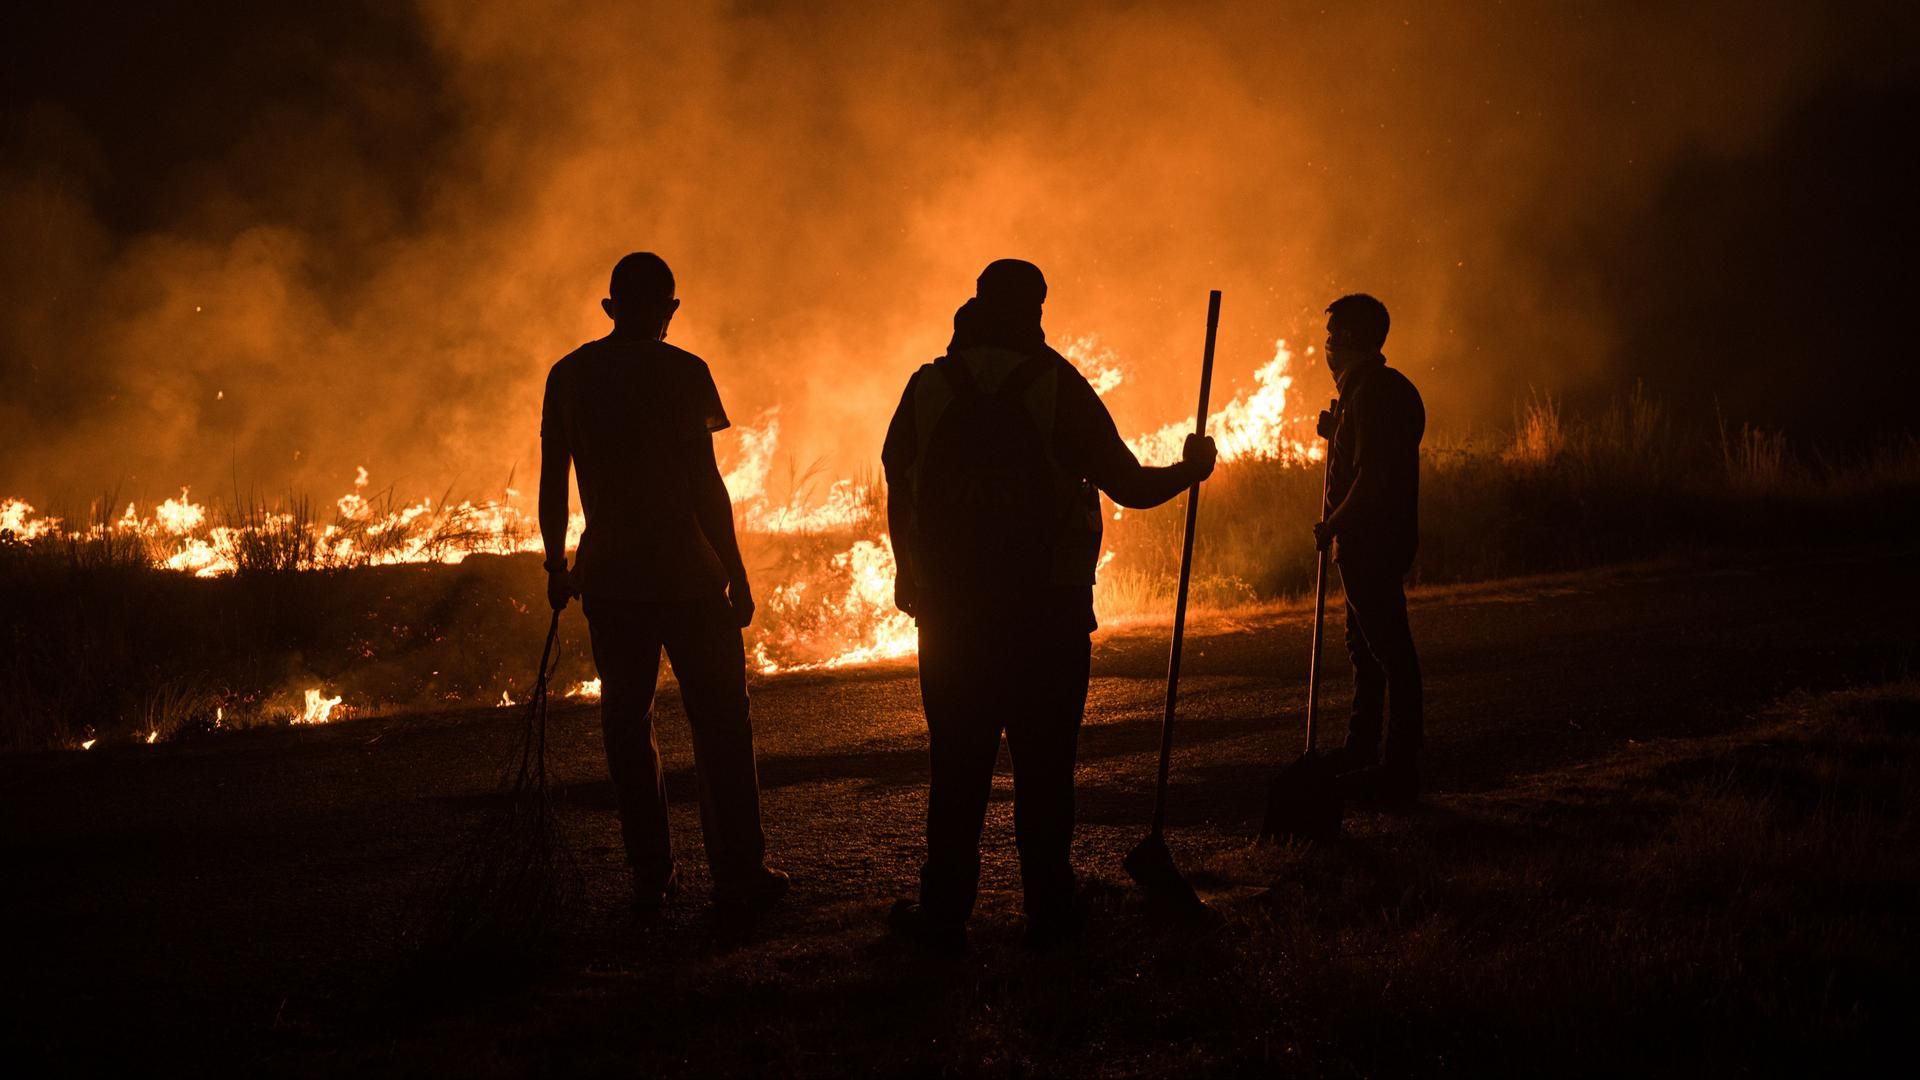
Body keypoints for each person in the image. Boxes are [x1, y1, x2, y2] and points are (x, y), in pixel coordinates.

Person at [881, 259, 1217, 952]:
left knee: (958, 768)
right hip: (1048, 612)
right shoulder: (1054, 384)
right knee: (1044, 769)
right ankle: (1051, 911)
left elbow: (898, 484)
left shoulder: (928, 386)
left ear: (974, 304)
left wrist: (906, 573)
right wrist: (1190, 470)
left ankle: (943, 916)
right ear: (1036, 309)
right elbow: (1127, 485)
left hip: (951, 614)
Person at [539, 252, 787, 912]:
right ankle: (739, 869)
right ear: (668, 309)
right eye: (670, 307)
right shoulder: (683, 373)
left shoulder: (569, 376)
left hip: (613, 578)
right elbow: (706, 485)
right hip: (687, 575)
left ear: (611, 306)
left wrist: (557, 564)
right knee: (722, 724)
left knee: (627, 722)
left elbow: (551, 481)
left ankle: (651, 873)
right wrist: (735, 573)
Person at [1311, 293, 1426, 807]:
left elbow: (1374, 475)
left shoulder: (1373, 394)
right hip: (1370, 540)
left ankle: (1400, 768)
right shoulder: (1372, 391)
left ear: (1354, 339)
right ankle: (1361, 752)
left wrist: (1333, 522)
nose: (1327, 346)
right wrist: (1337, 433)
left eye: (1333, 336)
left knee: (1389, 652)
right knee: (1365, 650)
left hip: (1369, 541)